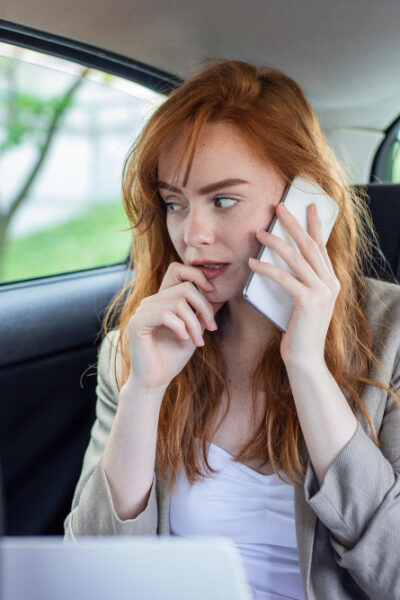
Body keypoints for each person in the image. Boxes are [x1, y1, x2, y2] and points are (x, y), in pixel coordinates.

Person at [64, 59, 400, 600]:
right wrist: (144, 393)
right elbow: (91, 577)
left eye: (223, 200)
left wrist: (309, 369)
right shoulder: (142, 344)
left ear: (306, 199)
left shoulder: (393, 335)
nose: (192, 235)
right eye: (175, 203)